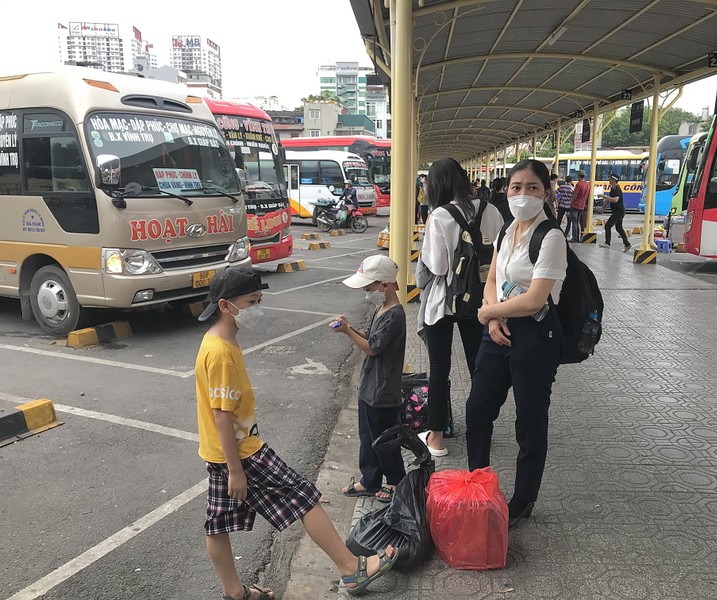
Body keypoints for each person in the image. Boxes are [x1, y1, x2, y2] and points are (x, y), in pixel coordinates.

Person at [195, 266, 397, 600]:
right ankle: (351, 569)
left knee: (217, 524)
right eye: (251, 301)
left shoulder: (217, 343)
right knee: (304, 497)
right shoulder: (220, 354)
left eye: (259, 300)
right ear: (225, 305)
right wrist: (235, 470)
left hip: (221, 451)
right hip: (243, 452)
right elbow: (221, 415)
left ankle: (235, 591)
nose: (257, 308)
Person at [465, 158, 567, 530]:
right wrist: (492, 316)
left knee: (530, 419)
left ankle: (523, 498)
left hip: (536, 336)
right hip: (497, 329)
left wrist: (485, 314)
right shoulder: (508, 230)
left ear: (546, 193)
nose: (523, 194)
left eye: (533, 188)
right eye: (516, 187)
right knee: (478, 409)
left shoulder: (550, 236)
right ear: (505, 191)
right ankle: (477, 481)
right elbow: (491, 277)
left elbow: (536, 299)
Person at [416, 157, 504, 457]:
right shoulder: (491, 210)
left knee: (439, 370)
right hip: (481, 299)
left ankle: (437, 438)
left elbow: (438, 266)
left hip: (443, 301)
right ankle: (480, 432)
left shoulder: (439, 215)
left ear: (437, 184)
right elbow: (499, 257)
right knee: (479, 367)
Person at [331, 255, 406, 504]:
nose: (365, 292)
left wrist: (347, 333)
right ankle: (370, 479)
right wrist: (351, 328)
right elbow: (372, 339)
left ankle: (395, 481)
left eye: (368, 287)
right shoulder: (381, 308)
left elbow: (373, 348)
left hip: (383, 391)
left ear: (383, 286)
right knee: (367, 437)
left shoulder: (395, 315)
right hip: (370, 387)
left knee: (384, 440)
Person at [599, 173, 632, 252]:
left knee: (607, 226)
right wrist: (603, 207)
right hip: (617, 211)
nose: (609, 180)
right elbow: (609, 199)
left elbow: (615, 200)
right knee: (619, 228)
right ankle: (627, 244)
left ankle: (607, 243)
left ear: (614, 180)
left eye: (610, 179)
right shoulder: (613, 188)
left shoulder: (617, 189)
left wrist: (604, 196)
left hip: (619, 212)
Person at [570, 170, 590, 242]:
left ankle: (575, 238)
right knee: (579, 222)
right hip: (582, 206)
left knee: (574, 222)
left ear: (578, 176)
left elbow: (575, 195)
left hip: (575, 205)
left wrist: (571, 202)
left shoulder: (579, 184)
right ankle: (580, 237)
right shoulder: (587, 184)